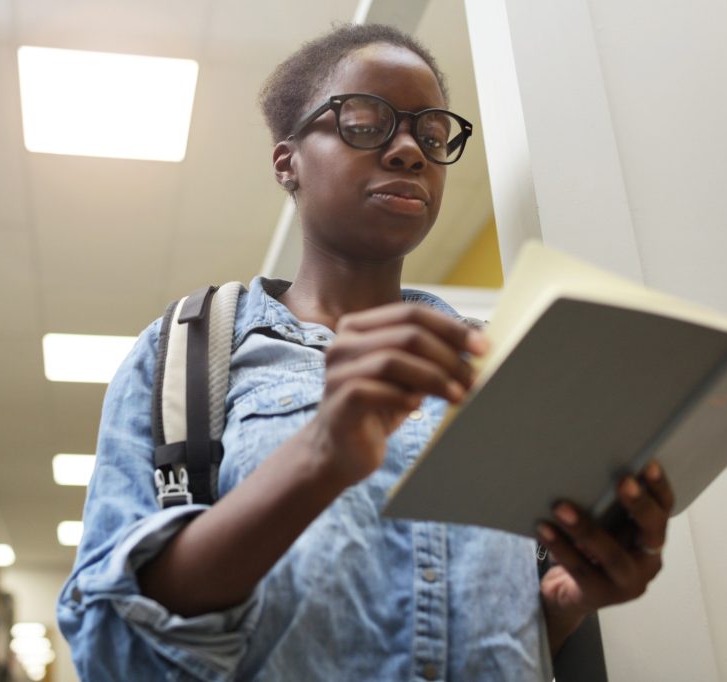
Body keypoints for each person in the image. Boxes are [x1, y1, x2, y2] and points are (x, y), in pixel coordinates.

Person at [58, 23, 673, 681]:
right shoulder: (185, 352)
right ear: (286, 161)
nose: (410, 150)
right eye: (364, 122)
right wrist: (320, 456)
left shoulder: (502, 368)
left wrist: (561, 603)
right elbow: (109, 646)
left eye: (432, 136)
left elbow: (483, 628)